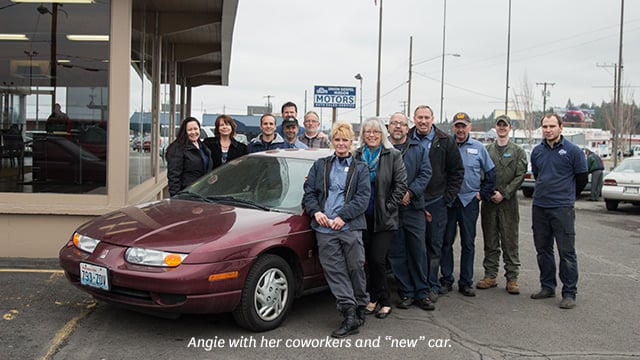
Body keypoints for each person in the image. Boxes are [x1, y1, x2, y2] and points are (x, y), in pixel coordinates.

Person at [302, 121, 371, 338]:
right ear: (332, 141)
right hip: (324, 228)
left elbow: (362, 198)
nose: (341, 144)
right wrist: (316, 212)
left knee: (355, 267)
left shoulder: (361, 168)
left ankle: (361, 304)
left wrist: (343, 216)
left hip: (349, 226)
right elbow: (309, 193)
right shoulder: (320, 165)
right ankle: (349, 314)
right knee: (334, 270)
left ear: (352, 142)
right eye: (337, 139)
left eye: (345, 140)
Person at [530, 113, 588, 309]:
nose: (548, 130)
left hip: (562, 208)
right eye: (545, 126)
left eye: (552, 126)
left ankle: (569, 292)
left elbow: (582, 179)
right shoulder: (537, 152)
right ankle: (547, 286)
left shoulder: (573, 151)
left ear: (561, 128)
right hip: (540, 207)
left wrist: (566, 196)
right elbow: (538, 175)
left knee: (566, 252)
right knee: (543, 250)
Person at [409, 105, 464, 301]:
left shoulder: (445, 141)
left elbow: (457, 172)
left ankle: (432, 285)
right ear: (413, 119)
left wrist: (447, 198)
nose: (423, 121)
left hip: (436, 201)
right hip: (411, 201)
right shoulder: (407, 139)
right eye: (419, 118)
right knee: (414, 246)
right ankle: (415, 286)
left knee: (434, 246)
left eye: (426, 117)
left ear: (432, 119)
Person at [354, 117, 407, 319]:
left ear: (382, 134)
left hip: (384, 218)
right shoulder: (357, 155)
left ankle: (384, 301)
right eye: (368, 131)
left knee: (377, 260)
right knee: (366, 261)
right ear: (363, 135)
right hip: (361, 216)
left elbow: (401, 185)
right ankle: (372, 299)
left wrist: (389, 207)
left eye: (376, 132)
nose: (372, 135)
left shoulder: (393, 155)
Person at [441, 112, 496, 297]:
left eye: (463, 126)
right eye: (457, 126)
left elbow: (491, 173)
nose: (460, 129)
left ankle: (466, 281)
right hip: (449, 201)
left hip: (469, 201)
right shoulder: (446, 146)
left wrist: (482, 194)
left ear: (469, 127)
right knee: (446, 242)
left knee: (468, 243)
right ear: (453, 128)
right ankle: (446, 279)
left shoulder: (479, 148)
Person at [386, 112, 435, 311]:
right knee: (397, 253)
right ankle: (405, 292)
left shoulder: (418, 148)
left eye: (402, 124)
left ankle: (422, 293)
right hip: (391, 210)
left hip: (414, 208)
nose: (398, 127)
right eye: (394, 123)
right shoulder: (382, 149)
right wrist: (396, 196)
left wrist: (411, 192)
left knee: (418, 251)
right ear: (388, 127)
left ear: (408, 128)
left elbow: (426, 173)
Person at [478, 115, 527, 294]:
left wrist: (505, 193)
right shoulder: (487, 150)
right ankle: (490, 275)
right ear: (495, 127)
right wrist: (487, 193)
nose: (502, 128)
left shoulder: (518, 151)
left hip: (508, 203)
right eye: (499, 125)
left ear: (510, 128)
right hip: (489, 202)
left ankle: (512, 279)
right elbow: (480, 172)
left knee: (510, 241)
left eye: (504, 125)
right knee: (490, 240)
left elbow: (520, 175)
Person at [166, 117, 212, 196]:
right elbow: (174, 176)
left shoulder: (203, 146)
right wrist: (176, 197)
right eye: (190, 130)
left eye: (196, 129)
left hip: (202, 192)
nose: (193, 132)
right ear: (184, 132)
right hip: (187, 193)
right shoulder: (177, 148)